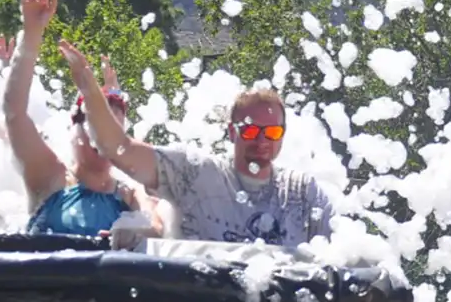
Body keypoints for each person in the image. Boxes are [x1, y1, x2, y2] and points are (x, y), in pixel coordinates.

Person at [57, 41, 335, 246]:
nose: (262, 140)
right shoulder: (197, 173)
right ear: (231, 132)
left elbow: (345, 252)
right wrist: (90, 90)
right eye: (250, 130)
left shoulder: (302, 194)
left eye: (272, 132)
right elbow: (119, 149)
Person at [0, 0, 162, 239]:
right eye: (92, 126)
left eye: (112, 130)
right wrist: (32, 33)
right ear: (73, 129)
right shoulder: (49, 178)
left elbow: (158, 228)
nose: (101, 139)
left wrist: (139, 232)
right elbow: (14, 113)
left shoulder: (130, 195)